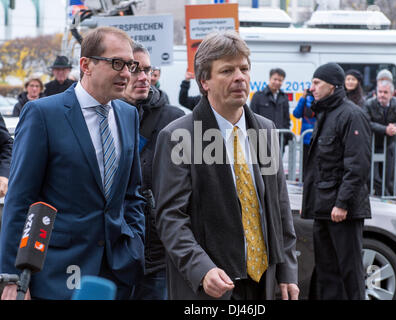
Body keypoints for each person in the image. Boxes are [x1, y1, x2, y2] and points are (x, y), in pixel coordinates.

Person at [0, 26, 146, 300]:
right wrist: (13, 278)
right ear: (86, 65)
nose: (127, 73)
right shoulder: (43, 114)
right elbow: (19, 200)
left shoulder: (128, 115)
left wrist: (133, 245)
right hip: (56, 277)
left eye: (130, 64)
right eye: (117, 63)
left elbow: (131, 194)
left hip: (116, 274)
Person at [152, 31, 299, 300]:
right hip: (209, 286)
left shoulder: (265, 131)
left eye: (244, 68)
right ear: (204, 81)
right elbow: (171, 217)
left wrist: (287, 270)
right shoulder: (178, 137)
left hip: (262, 283)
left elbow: (279, 208)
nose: (239, 77)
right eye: (227, 70)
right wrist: (201, 269)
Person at [301, 62, 371, 300]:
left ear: (332, 85)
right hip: (323, 208)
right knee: (327, 273)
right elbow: (319, 166)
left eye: (317, 83)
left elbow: (357, 165)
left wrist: (342, 203)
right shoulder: (326, 113)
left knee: (350, 273)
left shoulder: (352, 115)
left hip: (343, 211)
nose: (312, 88)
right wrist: (310, 202)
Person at [123, 41, 184, 299]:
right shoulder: (101, 114)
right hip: (112, 251)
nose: (144, 77)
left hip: (158, 252)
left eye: (147, 70)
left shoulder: (174, 118)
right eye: (135, 69)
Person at [363, 80, 396, 197]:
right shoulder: (369, 104)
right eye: (380, 92)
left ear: (391, 94)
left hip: (389, 144)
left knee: (388, 176)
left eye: (385, 92)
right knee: (372, 176)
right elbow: (366, 122)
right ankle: (378, 198)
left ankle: (389, 199)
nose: (382, 95)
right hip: (372, 143)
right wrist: (385, 129)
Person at [293, 89, 315, 170]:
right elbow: (296, 114)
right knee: (305, 167)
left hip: (318, 139)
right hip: (305, 139)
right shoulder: (305, 100)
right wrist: (303, 98)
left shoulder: (322, 100)